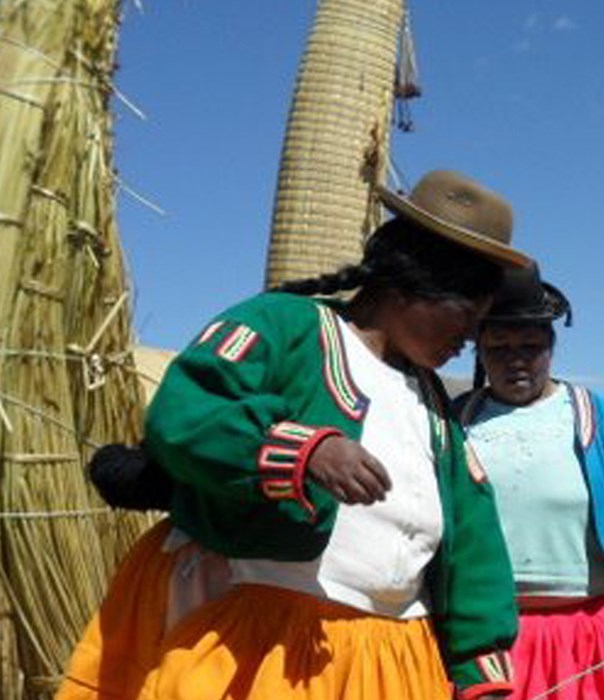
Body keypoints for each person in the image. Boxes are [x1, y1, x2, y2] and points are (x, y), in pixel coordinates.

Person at [58, 170, 527, 700]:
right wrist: (305, 451)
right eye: (466, 315)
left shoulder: (433, 404)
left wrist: (478, 667)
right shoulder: (286, 328)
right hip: (270, 643)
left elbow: (472, 532)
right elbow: (187, 413)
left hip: (394, 659)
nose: (470, 338)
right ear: (408, 282)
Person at [455, 266, 604, 699]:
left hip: (590, 634)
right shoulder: (456, 421)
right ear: (478, 351)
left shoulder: (592, 416)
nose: (515, 359)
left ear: (551, 349)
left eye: (530, 347)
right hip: (490, 640)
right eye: (498, 347)